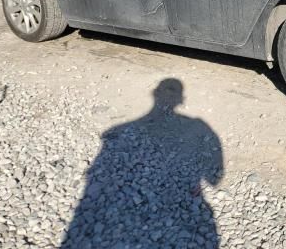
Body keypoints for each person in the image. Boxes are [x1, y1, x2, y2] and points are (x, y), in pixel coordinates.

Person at [62, 78, 223, 248]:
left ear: (154, 95)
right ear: (181, 99)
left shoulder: (116, 131)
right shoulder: (198, 126)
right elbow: (214, 179)